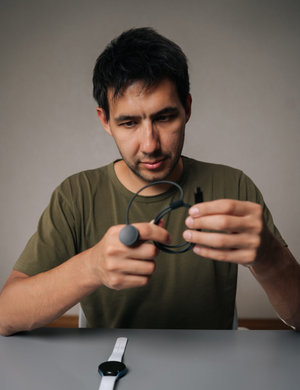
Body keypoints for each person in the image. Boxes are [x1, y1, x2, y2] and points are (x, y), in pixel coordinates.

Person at [0, 28, 299, 336]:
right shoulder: (76, 196)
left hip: (213, 371)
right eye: (129, 123)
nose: (150, 145)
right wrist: (91, 267)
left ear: (188, 108)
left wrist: (270, 257)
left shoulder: (233, 186)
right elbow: (5, 316)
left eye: (164, 118)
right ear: (105, 120)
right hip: (110, 374)